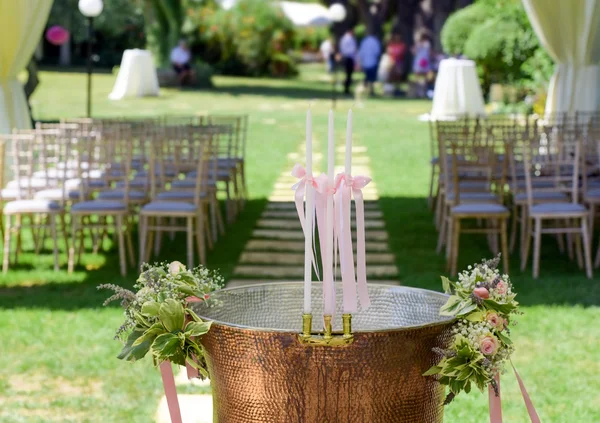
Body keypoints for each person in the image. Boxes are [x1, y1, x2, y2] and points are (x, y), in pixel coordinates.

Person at [412, 33, 432, 98]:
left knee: (420, 77)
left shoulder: (423, 44)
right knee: (422, 78)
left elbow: (414, 52)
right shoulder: (426, 43)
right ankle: (421, 92)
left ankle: (420, 92)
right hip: (423, 61)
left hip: (421, 62)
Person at [339, 29, 358, 95]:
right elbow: (353, 50)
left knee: (348, 74)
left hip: (346, 57)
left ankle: (346, 88)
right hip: (349, 58)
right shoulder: (350, 39)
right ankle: (346, 89)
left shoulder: (343, 39)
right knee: (348, 75)